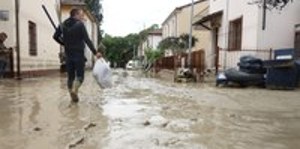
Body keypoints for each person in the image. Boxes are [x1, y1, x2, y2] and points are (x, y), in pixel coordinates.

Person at [53, 8, 102, 103]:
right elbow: (87, 40)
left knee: (70, 77)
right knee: (80, 76)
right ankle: (75, 91)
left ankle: (72, 95)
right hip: (79, 55)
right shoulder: (80, 25)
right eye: (81, 15)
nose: (82, 16)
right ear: (75, 15)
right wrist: (95, 52)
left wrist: (63, 43)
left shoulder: (62, 25)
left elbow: (55, 37)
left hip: (68, 55)